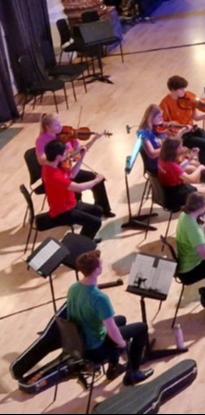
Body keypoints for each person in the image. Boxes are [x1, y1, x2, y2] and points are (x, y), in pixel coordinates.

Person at [66, 251, 153, 386]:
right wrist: (123, 344)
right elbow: (111, 329)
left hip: (81, 340)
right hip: (96, 348)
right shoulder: (99, 298)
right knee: (141, 328)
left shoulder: (73, 287)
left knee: (121, 319)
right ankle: (133, 373)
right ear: (97, 270)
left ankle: (113, 368)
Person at [35, 114, 113, 218]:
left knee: (96, 178)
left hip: (69, 170)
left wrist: (94, 139)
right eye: (57, 125)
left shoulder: (68, 135)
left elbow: (80, 150)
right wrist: (62, 157)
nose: (61, 127)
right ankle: (77, 212)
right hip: (57, 174)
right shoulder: (42, 140)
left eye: (60, 123)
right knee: (75, 187)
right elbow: (41, 160)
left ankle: (103, 209)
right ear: (48, 127)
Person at [41, 140, 108, 240]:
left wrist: (81, 157)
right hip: (63, 211)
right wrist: (97, 180)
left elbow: (72, 174)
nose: (67, 154)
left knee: (97, 210)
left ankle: (85, 238)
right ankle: (81, 246)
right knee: (96, 222)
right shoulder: (53, 175)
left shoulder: (56, 166)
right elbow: (79, 188)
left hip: (71, 204)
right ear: (58, 157)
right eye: (65, 153)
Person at [160, 76, 205, 169]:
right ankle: (204, 171)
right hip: (182, 136)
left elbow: (196, 118)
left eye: (185, 88)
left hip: (193, 130)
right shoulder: (165, 104)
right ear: (172, 90)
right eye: (181, 89)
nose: (185, 91)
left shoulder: (188, 97)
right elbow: (162, 126)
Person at [157, 138, 204, 212]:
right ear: (174, 150)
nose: (182, 149)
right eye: (180, 147)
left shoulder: (162, 159)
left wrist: (190, 159)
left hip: (167, 192)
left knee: (200, 186)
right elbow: (191, 179)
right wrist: (200, 168)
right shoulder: (172, 165)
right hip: (175, 196)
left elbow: (178, 169)